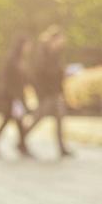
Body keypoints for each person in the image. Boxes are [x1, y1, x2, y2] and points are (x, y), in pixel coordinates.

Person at [26, 26, 73, 158]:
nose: (61, 44)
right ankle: (22, 139)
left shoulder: (56, 54)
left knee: (59, 120)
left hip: (55, 93)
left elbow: (58, 75)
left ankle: (62, 148)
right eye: (60, 40)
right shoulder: (42, 54)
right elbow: (38, 75)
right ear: (53, 39)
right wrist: (42, 93)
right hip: (46, 93)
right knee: (38, 118)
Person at [0, 36, 33, 158]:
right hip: (11, 97)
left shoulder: (19, 59)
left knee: (15, 122)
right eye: (27, 45)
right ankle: (21, 146)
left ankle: (20, 146)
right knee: (14, 121)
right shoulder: (12, 60)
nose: (29, 48)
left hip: (15, 97)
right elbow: (8, 80)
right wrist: (14, 97)